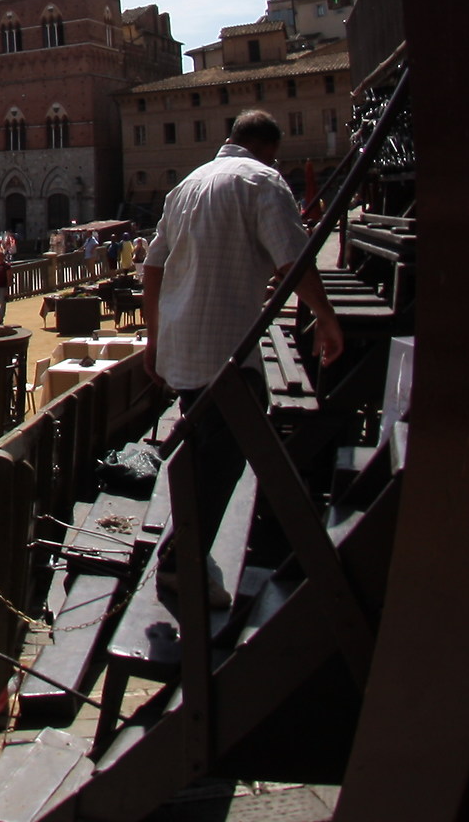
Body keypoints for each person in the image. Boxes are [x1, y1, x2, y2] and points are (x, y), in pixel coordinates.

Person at [143, 109, 345, 609]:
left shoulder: (187, 185)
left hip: (185, 349)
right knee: (226, 458)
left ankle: (185, 550)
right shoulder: (262, 180)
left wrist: (154, 340)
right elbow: (292, 258)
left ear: (231, 139)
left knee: (203, 449)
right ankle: (177, 566)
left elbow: (151, 267)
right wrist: (327, 317)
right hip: (226, 351)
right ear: (266, 149)